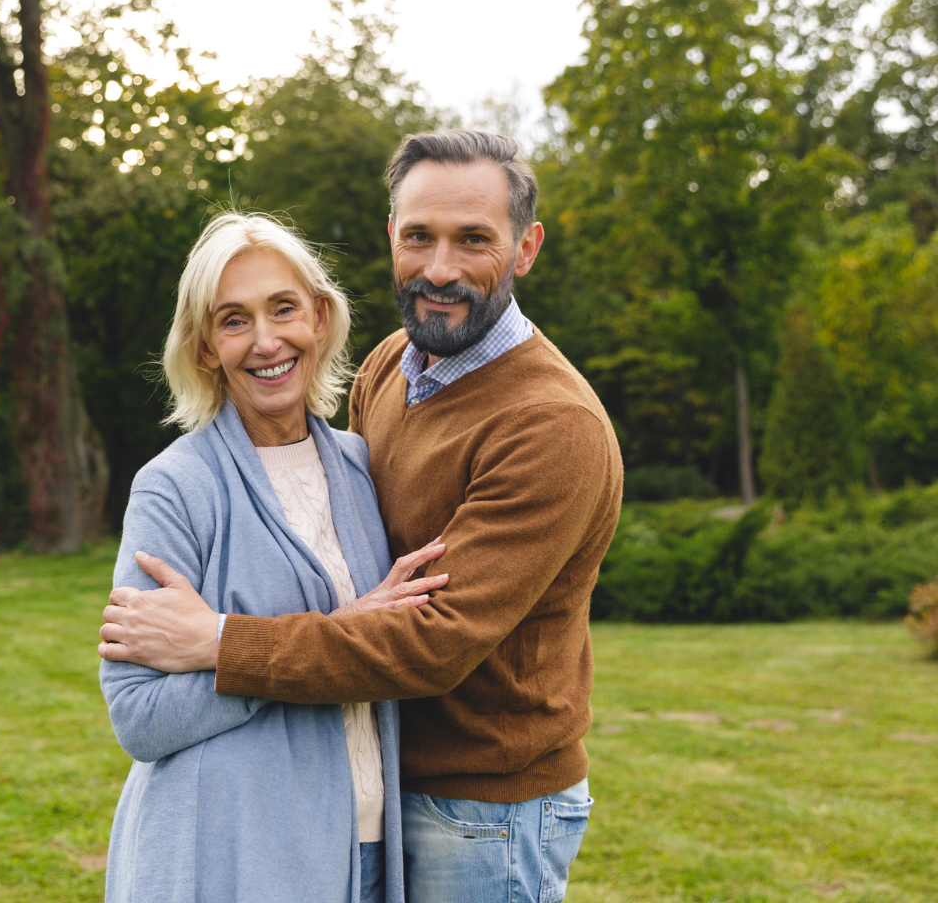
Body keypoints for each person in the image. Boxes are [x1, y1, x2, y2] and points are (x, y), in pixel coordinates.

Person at [101, 130, 625, 903]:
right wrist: (340, 623)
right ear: (392, 237)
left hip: (484, 807)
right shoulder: (391, 369)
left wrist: (218, 642)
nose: (439, 268)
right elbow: (343, 593)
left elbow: (428, 641)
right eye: (420, 236)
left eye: (473, 239)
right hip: (349, 805)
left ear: (525, 248)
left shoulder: (551, 426)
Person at [97, 213, 448, 903]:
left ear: (319, 318)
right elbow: (140, 718)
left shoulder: (356, 466)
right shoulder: (176, 487)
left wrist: (220, 645)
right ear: (204, 347)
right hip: (230, 856)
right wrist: (342, 632)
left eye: (282, 309)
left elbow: (385, 650)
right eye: (234, 320)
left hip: (365, 849)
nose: (266, 341)